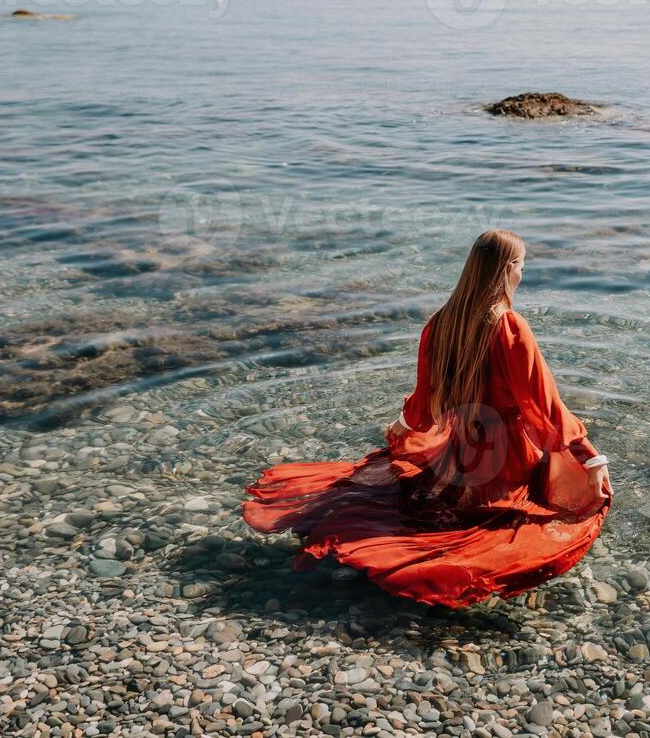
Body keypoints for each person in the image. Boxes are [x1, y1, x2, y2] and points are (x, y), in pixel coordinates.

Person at [242, 230, 612, 608]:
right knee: (544, 511)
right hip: (507, 456)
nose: (521, 275)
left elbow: (425, 397)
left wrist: (403, 425)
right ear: (508, 270)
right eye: (521, 266)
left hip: (459, 453)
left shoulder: (441, 321)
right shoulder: (509, 326)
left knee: (431, 500)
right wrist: (589, 457)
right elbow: (544, 405)